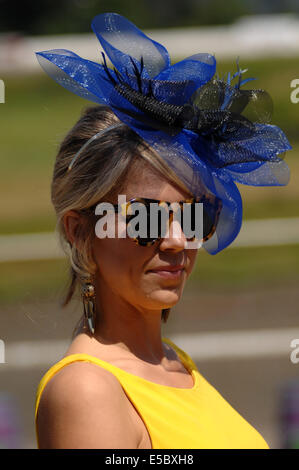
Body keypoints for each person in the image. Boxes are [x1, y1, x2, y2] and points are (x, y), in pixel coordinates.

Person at [34, 13, 291, 449]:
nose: (177, 242)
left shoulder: (174, 363)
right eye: (147, 219)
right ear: (80, 232)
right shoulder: (88, 392)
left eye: (195, 219)